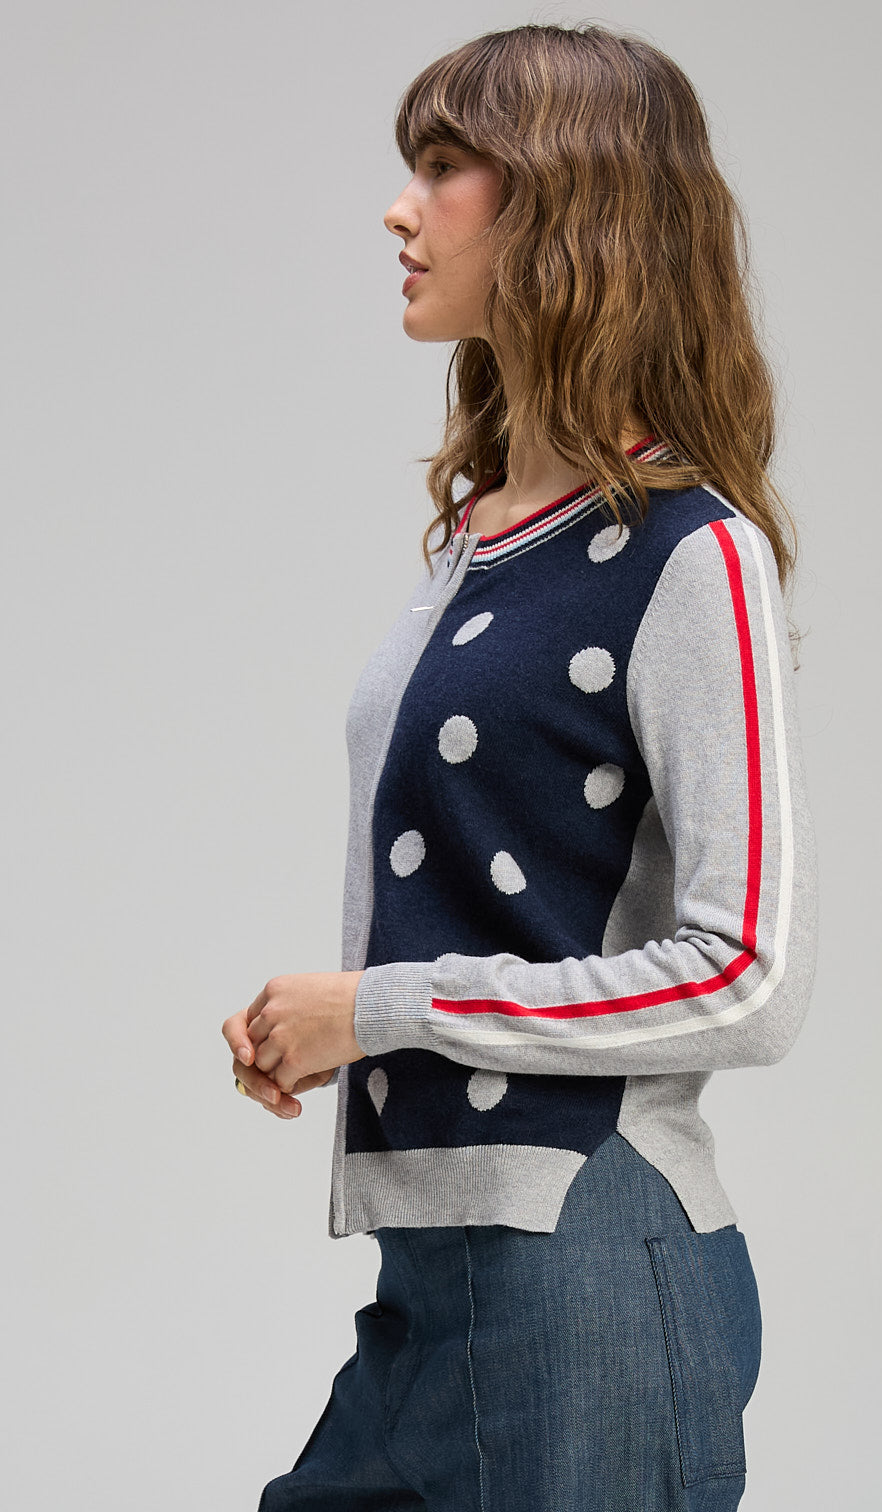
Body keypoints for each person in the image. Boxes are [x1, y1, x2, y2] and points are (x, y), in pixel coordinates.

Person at [222, 21, 819, 1512]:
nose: (400, 208)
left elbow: (751, 974)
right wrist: (338, 1026)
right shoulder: (482, 541)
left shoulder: (692, 555)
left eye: (444, 167)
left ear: (567, 205)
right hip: (442, 1283)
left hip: (589, 1268)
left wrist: (379, 1009)